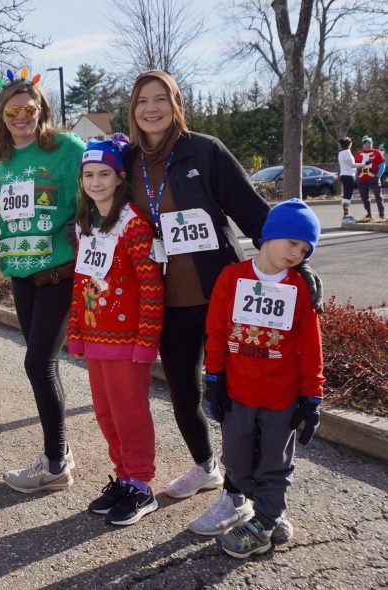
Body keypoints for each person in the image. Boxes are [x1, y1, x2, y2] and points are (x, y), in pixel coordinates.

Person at [123, 70, 322, 507]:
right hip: (166, 300)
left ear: (176, 104)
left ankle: (243, 492)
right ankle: (205, 467)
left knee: (237, 396)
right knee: (184, 394)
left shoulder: (205, 150)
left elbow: (253, 212)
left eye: (161, 99)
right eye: (142, 101)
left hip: (225, 296)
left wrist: (296, 261)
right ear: (133, 110)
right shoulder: (128, 162)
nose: (151, 109)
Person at [195, 199, 324, 558]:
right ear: (268, 236)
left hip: (281, 398)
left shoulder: (301, 288)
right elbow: (217, 331)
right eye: (292, 243)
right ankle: (270, 512)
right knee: (235, 461)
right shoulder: (232, 278)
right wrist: (215, 378)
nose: (296, 253)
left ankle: (265, 521)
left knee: (274, 462)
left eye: (304, 249)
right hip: (238, 393)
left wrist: (312, 398)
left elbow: (312, 347)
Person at [0, 68, 86, 492]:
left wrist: (85, 226)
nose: (21, 116)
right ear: (1, 115)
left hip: (57, 275)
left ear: (42, 109)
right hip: (23, 279)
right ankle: (57, 453)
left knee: (38, 363)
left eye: (29, 108)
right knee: (40, 366)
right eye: (12, 110)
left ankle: (55, 461)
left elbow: (104, 188)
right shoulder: (4, 163)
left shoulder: (68, 148)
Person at [66, 134, 164, 525]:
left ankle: (141, 485)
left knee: (130, 414)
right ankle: (123, 477)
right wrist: (76, 330)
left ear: (120, 177)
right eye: (89, 175)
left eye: (104, 174)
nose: (96, 182)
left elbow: (151, 284)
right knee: (107, 414)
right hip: (95, 338)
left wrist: (147, 339)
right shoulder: (85, 224)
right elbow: (80, 282)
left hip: (127, 343)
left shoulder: (133, 225)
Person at [354, 135, 385, 220]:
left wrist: (378, 176)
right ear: (362, 145)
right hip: (362, 180)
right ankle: (369, 214)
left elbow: (382, 165)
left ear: (372, 144)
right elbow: (355, 166)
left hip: (374, 178)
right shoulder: (358, 154)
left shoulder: (377, 152)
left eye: (370, 143)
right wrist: (356, 177)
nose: (368, 145)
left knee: (378, 197)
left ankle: (381, 215)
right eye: (366, 144)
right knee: (365, 198)